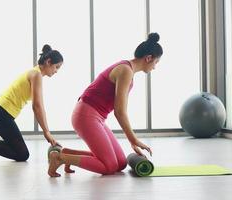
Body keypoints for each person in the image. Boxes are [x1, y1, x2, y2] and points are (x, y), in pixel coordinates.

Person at [48, 33, 163, 177]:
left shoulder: (127, 69)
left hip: (96, 117)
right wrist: (133, 139)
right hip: (86, 115)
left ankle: (67, 154)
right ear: (148, 58)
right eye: (156, 63)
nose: (154, 67)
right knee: (109, 166)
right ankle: (59, 158)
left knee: (121, 163)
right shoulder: (125, 70)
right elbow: (119, 111)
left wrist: (132, 141)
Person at [0, 44, 63, 162]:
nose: (56, 71)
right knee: (22, 154)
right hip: (1, 114)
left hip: (0, 112)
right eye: (57, 67)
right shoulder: (36, 75)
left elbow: (38, 105)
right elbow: (37, 106)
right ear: (48, 62)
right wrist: (46, 132)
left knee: (16, 147)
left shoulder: (34, 73)